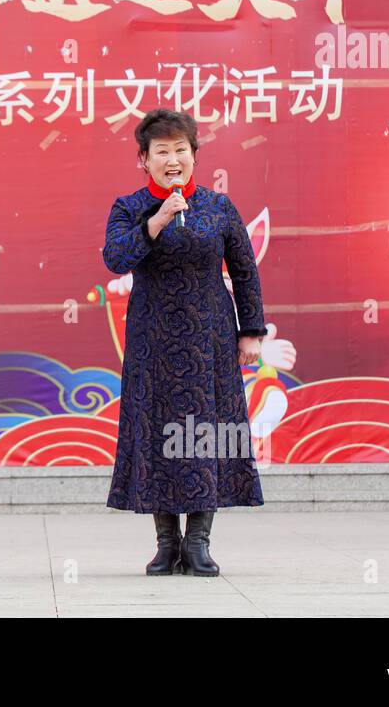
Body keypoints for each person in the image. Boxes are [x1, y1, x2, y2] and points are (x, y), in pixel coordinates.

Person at [102, 108, 267, 576]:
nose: (172, 159)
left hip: (209, 337)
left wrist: (251, 331)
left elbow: (244, 270)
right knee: (157, 434)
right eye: (162, 152)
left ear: (194, 155)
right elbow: (115, 257)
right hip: (152, 338)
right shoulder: (130, 208)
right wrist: (155, 222)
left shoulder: (218, 207)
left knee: (205, 434)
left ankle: (198, 541)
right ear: (144, 159)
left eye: (181, 150)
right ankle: (165, 542)